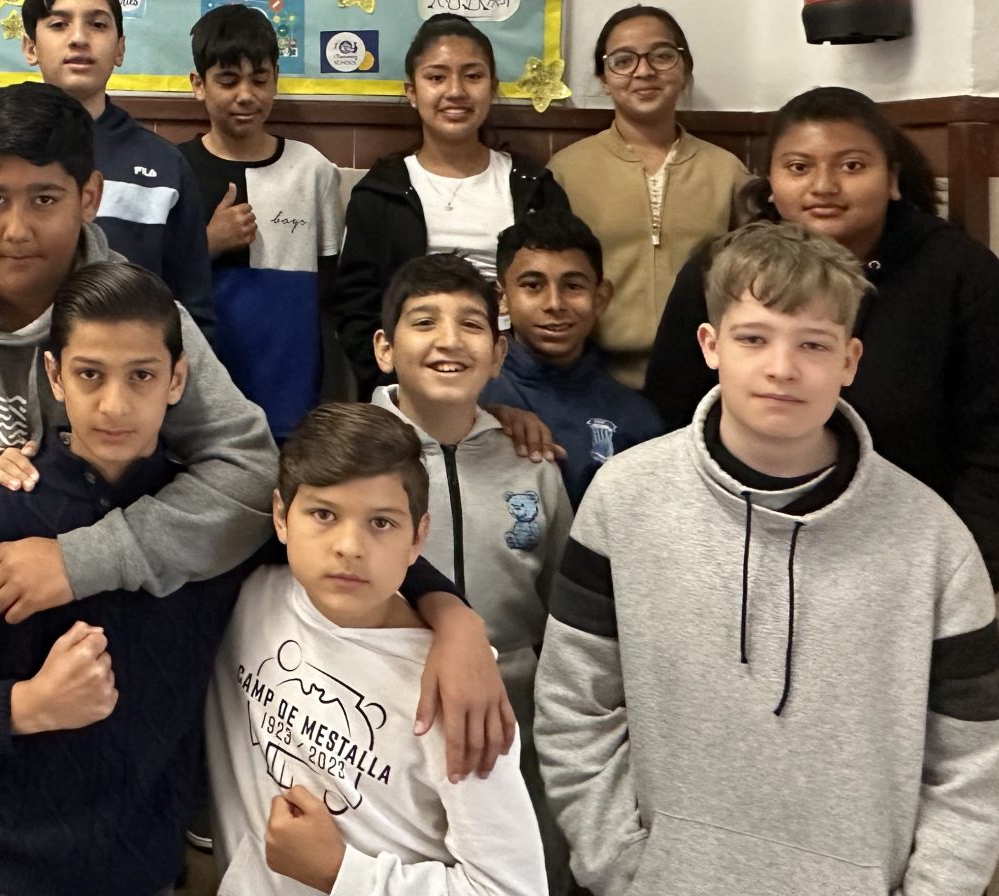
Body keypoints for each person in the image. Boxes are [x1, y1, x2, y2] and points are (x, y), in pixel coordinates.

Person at [0, 82, 515, 896]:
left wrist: (444, 609)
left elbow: (257, 479)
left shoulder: (139, 314)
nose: (17, 228)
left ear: (90, 195)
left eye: (45, 199)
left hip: (93, 706)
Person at [536, 221, 999, 896]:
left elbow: (974, 756)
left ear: (850, 360)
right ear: (711, 346)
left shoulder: (931, 540)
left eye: (813, 344)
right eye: (754, 338)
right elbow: (574, 706)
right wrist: (626, 870)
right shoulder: (625, 499)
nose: (782, 368)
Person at [0, 262, 246, 896]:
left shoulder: (219, 526)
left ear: (178, 379)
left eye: (142, 375)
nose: (114, 405)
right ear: (54, 376)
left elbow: (339, 546)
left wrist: (430, 602)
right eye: (90, 374)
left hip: (135, 876)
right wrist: (26, 706)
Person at [645, 85, 999, 589]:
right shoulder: (719, 271)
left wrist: (954, 588)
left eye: (852, 166)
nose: (824, 186)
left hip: (907, 565)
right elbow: (671, 417)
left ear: (893, 179)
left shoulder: (963, 277)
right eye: (798, 167)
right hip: (734, 558)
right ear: (770, 183)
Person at [207, 403, 547, 896]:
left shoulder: (458, 690)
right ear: (281, 516)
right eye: (324, 514)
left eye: (382, 523)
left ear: (418, 537)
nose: (349, 545)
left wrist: (340, 873)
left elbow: (512, 888)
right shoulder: (248, 596)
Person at [372, 253, 572, 889]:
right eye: (424, 321)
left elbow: (564, 609)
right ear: (384, 348)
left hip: (518, 719)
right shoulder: (351, 458)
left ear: (499, 353)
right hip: (391, 715)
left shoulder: (532, 462)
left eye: (470, 324)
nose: (449, 340)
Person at [336, 14, 567, 398]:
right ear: (412, 92)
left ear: (492, 87)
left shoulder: (534, 187)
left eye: (472, 76)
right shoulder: (380, 193)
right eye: (436, 77)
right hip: (414, 385)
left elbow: (560, 295)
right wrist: (402, 390)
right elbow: (356, 310)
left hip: (524, 385)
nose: (455, 91)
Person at [547, 6, 747, 384]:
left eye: (662, 55)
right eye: (623, 61)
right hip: (592, 376)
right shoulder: (566, 170)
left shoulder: (727, 171)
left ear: (685, 69)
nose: (643, 71)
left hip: (703, 373)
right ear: (603, 79)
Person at [20, 0, 216, 336]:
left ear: (120, 49)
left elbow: (192, 309)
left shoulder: (164, 164)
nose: (79, 38)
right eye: (59, 24)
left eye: (97, 25)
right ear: (31, 47)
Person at [178, 3, 343, 438]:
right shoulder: (175, 170)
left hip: (293, 396)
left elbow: (331, 291)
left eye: (259, 79)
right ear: (198, 85)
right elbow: (153, 284)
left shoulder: (312, 169)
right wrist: (207, 244)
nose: (246, 95)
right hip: (199, 398)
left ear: (276, 79)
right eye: (228, 80)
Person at [481, 210, 666, 506]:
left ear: (601, 298)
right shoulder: (471, 396)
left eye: (573, 286)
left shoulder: (636, 419)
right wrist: (486, 416)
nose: (554, 304)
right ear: (501, 298)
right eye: (533, 285)